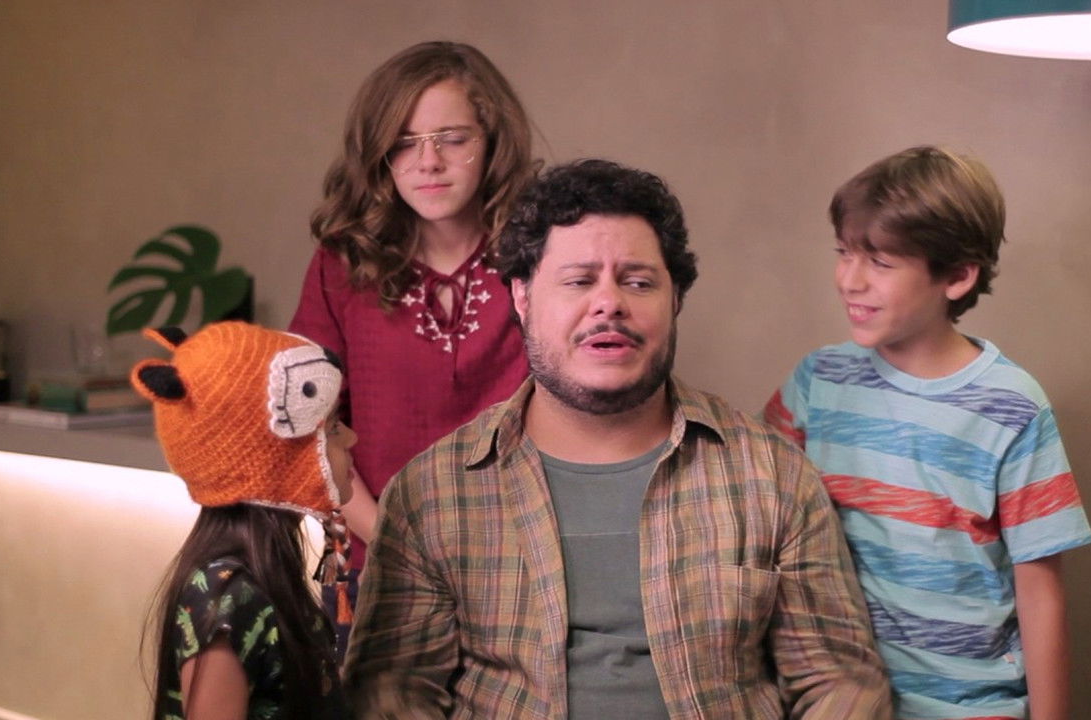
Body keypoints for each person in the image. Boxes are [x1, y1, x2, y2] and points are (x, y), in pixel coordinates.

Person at [343, 159, 891, 719]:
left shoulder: (772, 475)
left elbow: (840, 684)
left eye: (638, 282)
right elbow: (392, 695)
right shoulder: (433, 494)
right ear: (523, 297)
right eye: (579, 281)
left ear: (675, 299)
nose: (609, 303)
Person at [765, 145, 1091, 720]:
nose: (849, 280)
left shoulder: (1012, 408)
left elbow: (1040, 595)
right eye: (844, 253)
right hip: (844, 700)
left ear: (958, 276)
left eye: (880, 263)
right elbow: (753, 501)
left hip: (974, 705)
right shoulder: (818, 381)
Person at [289, 41, 537, 655]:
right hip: (377, 569)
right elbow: (309, 429)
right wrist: (397, 545)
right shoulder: (341, 264)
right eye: (404, 143)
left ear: (493, 141)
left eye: (452, 138)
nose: (428, 162)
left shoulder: (543, 257)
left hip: (523, 569)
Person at [134, 321, 358, 719]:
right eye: (334, 428)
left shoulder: (265, 581)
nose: (352, 439)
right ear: (276, 460)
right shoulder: (228, 597)